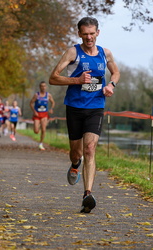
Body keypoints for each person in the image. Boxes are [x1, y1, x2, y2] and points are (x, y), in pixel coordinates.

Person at [49, 17, 120, 213]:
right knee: (77, 153)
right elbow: (53, 78)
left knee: (90, 148)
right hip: (74, 107)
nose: (89, 37)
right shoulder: (73, 52)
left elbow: (115, 73)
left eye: (92, 33)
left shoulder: (105, 53)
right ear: (79, 33)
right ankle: (74, 165)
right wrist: (77, 80)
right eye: (85, 33)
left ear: (98, 32)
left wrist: (111, 85)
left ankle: (87, 194)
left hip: (96, 107)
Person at [30, 81, 55, 150]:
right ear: (40, 87)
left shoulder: (48, 95)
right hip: (37, 114)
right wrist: (34, 111)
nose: (43, 87)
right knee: (36, 131)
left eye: (44, 86)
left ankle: (41, 144)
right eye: (42, 86)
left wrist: (51, 109)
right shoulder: (36, 95)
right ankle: (38, 125)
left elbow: (53, 102)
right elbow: (31, 103)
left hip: (44, 114)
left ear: (46, 87)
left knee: (44, 130)